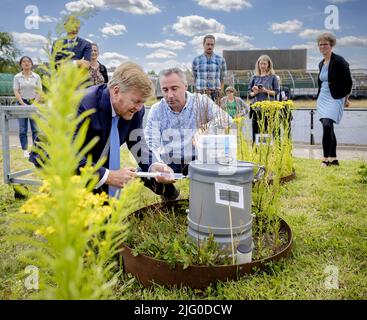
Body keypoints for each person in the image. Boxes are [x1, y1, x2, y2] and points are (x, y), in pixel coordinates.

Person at [75, 62, 175, 198]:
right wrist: (108, 176)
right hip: (66, 174)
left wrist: (154, 166)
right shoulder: (82, 104)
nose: (140, 108)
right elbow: (63, 153)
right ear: (116, 91)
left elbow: (138, 143)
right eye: (136, 101)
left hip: (97, 171)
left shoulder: (135, 111)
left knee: (107, 217)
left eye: (143, 102)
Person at [144, 68, 231, 181]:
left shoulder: (201, 101)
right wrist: (158, 165)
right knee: (145, 169)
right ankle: (170, 193)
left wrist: (205, 129)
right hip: (169, 162)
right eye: (165, 90)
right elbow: (151, 143)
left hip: (198, 160)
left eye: (174, 88)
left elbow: (227, 120)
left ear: (185, 86)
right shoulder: (156, 110)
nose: (170, 95)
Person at [316, 32, 352, 167]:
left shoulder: (339, 61)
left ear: (331, 45)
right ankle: (334, 159)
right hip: (323, 98)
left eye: (325, 44)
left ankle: (325, 159)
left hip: (336, 98)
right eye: (320, 45)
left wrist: (346, 99)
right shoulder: (321, 64)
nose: (322, 47)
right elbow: (321, 83)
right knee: (328, 128)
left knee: (327, 125)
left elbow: (348, 83)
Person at [13, 56, 42, 158]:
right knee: (22, 129)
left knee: (35, 129)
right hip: (22, 103)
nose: (26, 63)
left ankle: (35, 150)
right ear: (21, 64)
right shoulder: (17, 77)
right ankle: (25, 150)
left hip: (34, 102)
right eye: (24, 61)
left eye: (28, 61)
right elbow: (16, 91)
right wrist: (22, 104)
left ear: (31, 63)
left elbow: (39, 91)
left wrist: (34, 103)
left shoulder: (36, 76)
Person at [248, 55, 279, 142]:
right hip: (256, 108)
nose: (262, 66)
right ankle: (257, 150)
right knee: (256, 129)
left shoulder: (273, 77)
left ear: (269, 65)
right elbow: (249, 94)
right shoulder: (254, 77)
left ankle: (267, 148)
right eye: (261, 63)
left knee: (267, 129)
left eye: (265, 64)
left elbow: (276, 92)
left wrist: (266, 90)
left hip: (269, 108)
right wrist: (255, 92)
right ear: (258, 64)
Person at [192, 34, 227, 102]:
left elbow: (222, 78)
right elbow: (195, 78)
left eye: (212, 44)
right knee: (200, 112)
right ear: (203, 44)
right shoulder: (196, 60)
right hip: (200, 93)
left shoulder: (221, 60)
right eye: (208, 44)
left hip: (216, 93)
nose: (210, 46)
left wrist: (220, 92)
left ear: (214, 45)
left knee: (215, 112)